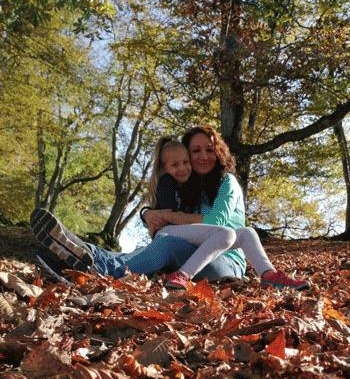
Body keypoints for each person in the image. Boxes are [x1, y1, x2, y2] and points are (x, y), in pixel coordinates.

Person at [30, 125, 310, 291]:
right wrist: (148, 214)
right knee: (154, 247)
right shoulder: (186, 186)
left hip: (225, 261)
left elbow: (217, 221)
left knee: (169, 244)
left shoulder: (228, 184)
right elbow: (165, 223)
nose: (202, 156)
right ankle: (80, 254)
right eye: (195, 151)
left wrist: (165, 217)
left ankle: (96, 266)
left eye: (209, 150)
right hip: (192, 255)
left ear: (219, 153)